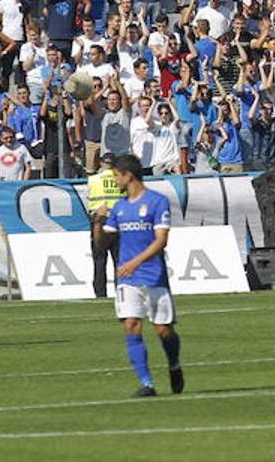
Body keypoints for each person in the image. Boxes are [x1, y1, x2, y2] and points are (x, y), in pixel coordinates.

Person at [104, 154, 185, 397]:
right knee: (131, 325)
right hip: (127, 278)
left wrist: (135, 262)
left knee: (163, 329)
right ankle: (147, 384)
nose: (115, 181)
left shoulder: (157, 202)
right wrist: (97, 224)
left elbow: (161, 240)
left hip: (153, 275)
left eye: (116, 176)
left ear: (128, 175)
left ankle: (174, 365)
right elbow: (103, 242)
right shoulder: (119, 207)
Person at [87, 154, 125, 299]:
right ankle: (121, 291)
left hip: (100, 221)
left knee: (99, 260)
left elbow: (89, 200)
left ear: (102, 163)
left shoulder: (93, 180)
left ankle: (100, 294)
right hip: (119, 222)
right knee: (119, 261)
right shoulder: (121, 179)